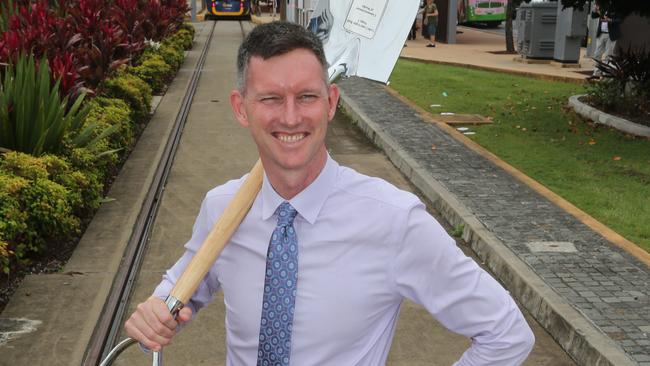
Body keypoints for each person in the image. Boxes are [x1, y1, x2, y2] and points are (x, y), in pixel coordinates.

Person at [124, 21, 535, 365]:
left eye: (306, 97)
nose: (290, 117)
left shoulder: (395, 220)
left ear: (331, 102)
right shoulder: (222, 208)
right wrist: (152, 317)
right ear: (240, 107)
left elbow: (506, 332)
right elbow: (178, 293)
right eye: (270, 98)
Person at [588, 3, 622, 80]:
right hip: (601, 34)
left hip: (611, 35)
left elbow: (620, 20)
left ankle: (605, 74)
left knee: (608, 55)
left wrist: (610, 20)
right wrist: (595, 10)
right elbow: (593, 16)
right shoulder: (602, 7)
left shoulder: (616, 7)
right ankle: (597, 73)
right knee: (597, 54)